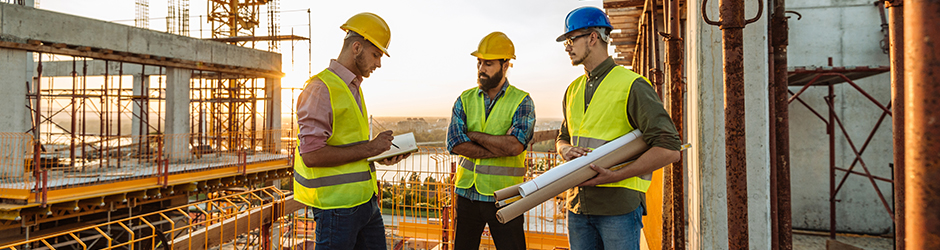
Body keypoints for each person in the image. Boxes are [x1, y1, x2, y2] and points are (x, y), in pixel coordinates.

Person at [554, 6, 682, 250]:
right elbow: (563, 137)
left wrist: (617, 175)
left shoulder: (632, 85)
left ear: (593, 37)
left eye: (571, 39)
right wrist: (565, 149)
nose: (567, 47)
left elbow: (670, 148)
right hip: (577, 206)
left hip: (618, 209)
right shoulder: (572, 90)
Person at [293, 12, 408, 250]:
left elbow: (349, 145)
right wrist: (371, 147)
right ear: (357, 47)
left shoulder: (352, 87)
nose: (378, 63)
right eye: (376, 54)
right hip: (336, 211)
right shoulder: (320, 88)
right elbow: (312, 155)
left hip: (366, 203)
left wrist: (380, 154)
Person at [446, 31, 535, 250]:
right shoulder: (465, 99)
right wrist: (499, 146)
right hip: (467, 194)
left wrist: (474, 136)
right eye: (479, 63)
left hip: (505, 196)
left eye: (488, 64)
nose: (481, 69)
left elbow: (515, 145)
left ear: (505, 66)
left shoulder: (522, 101)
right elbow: (455, 143)